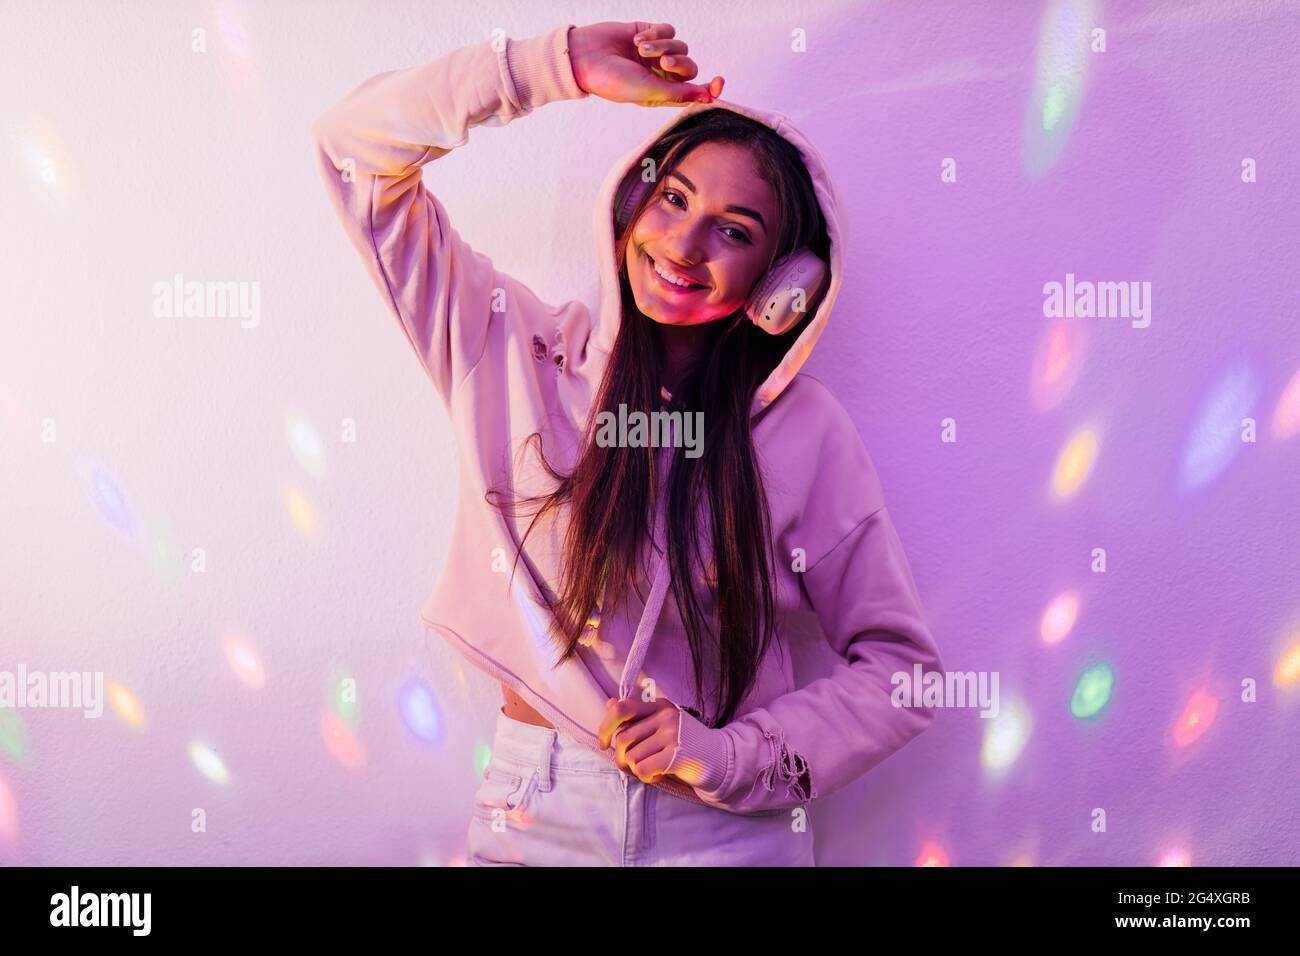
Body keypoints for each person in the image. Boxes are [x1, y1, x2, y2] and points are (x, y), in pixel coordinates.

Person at [312, 19, 945, 866]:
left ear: (785, 281)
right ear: (631, 201)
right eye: (674, 198)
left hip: (724, 833)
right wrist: (553, 67)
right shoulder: (510, 348)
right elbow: (353, 150)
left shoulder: (805, 430)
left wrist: (727, 756)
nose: (683, 246)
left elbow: (902, 673)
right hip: (535, 809)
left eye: (734, 230)